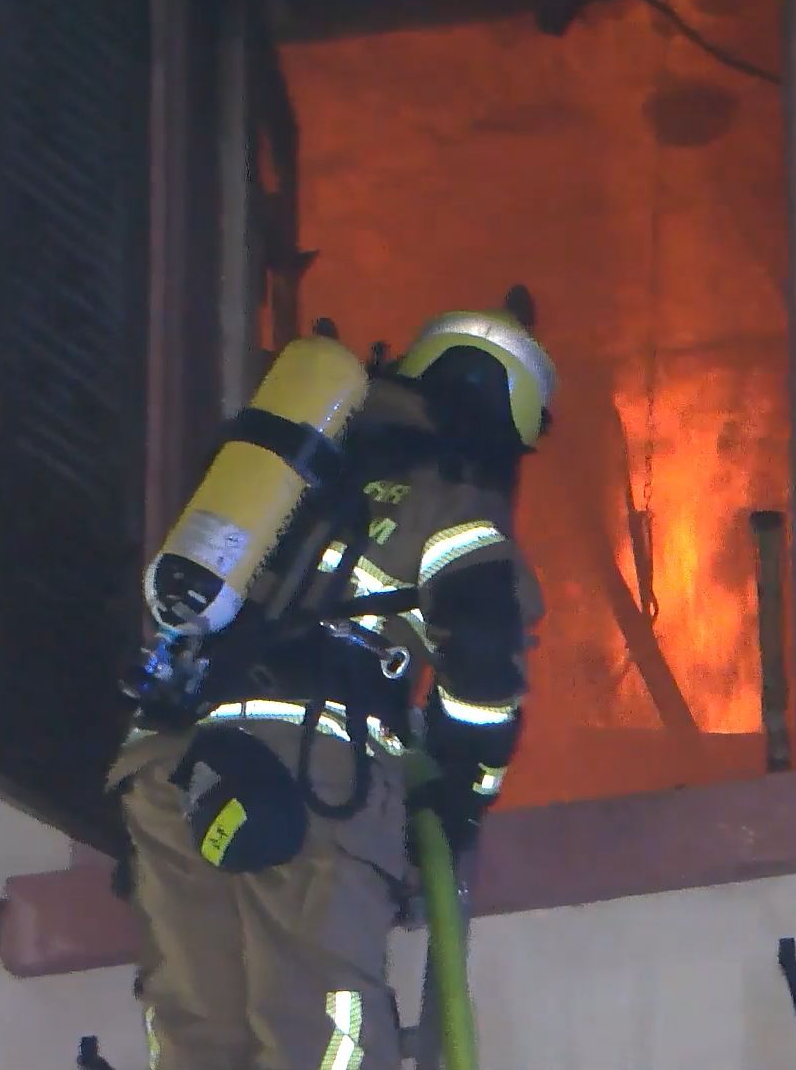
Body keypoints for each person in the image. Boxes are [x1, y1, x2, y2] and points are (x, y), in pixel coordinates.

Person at [105, 288, 553, 1069]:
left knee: (196, 1025)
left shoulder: (293, 469)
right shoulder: (455, 496)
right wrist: (460, 794)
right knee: (315, 1021)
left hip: (174, 767)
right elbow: (482, 665)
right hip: (311, 769)